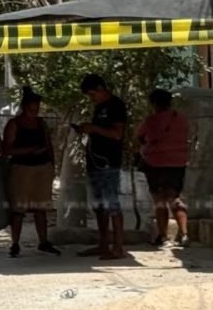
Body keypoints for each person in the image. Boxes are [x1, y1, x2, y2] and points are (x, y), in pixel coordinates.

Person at [1, 88, 61, 259]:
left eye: (37, 106)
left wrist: (51, 166)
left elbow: (49, 145)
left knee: (41, 208)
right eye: (32, 106)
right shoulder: (14, 124)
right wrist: (27, 151)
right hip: (21, 169)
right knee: (18, 209)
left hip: (42, 169)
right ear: (24, 106)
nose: (34, 110)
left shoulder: (41, 124)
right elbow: (5, 150)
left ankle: (43, 242)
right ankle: (15, 244)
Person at [75, 74, 128, 260]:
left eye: (92, 94)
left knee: (112, 204)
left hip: (109, 163)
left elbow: (117, 134)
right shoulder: (99, 107)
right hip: (95, 162)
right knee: (99, 206)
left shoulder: (116, 105)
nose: (91, 98)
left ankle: (118, 246)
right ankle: (103, 243)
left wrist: (94, 129)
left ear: (100, 88)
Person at [137, 88, 191, 248]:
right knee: (175, 197)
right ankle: (184, 234)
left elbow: (140, 136)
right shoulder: (181, 119)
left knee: (159, 200)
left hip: (155, 163)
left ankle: (162, 235)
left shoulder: (151, 120)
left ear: (153, 103)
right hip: (178, 163)